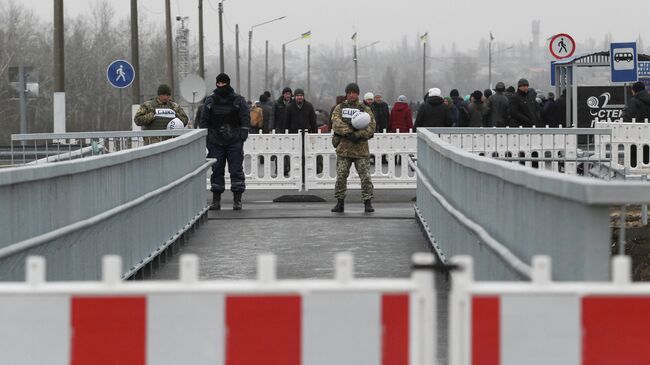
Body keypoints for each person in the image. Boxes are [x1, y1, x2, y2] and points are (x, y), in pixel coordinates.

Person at [200, 73, 250, 211]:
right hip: (215, 142)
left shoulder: (238, 100)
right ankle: (216, 201)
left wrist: (242, 137)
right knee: (216, 171)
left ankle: (237, 200)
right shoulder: (210, 101)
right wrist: (207, 138)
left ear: (228, 83)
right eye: (218, 83)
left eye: (223, 83)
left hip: (234, 141)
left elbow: (245, 119)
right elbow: (203, 121)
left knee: (236, 170)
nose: (221, 86)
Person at [331, 83, 376, 213]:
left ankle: (368, 202)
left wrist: (358, 135)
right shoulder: (340, 108)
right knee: (341, 177)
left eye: (354, 92)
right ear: (346, 94)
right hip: (344, 149)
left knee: (366, 177)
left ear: (358, 94)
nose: (351, 95)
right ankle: (340, 203)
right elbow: (336, 123)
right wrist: (349, 133)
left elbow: (371, 126)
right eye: (349, 92)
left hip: (360, 149)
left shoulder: (364, 109)